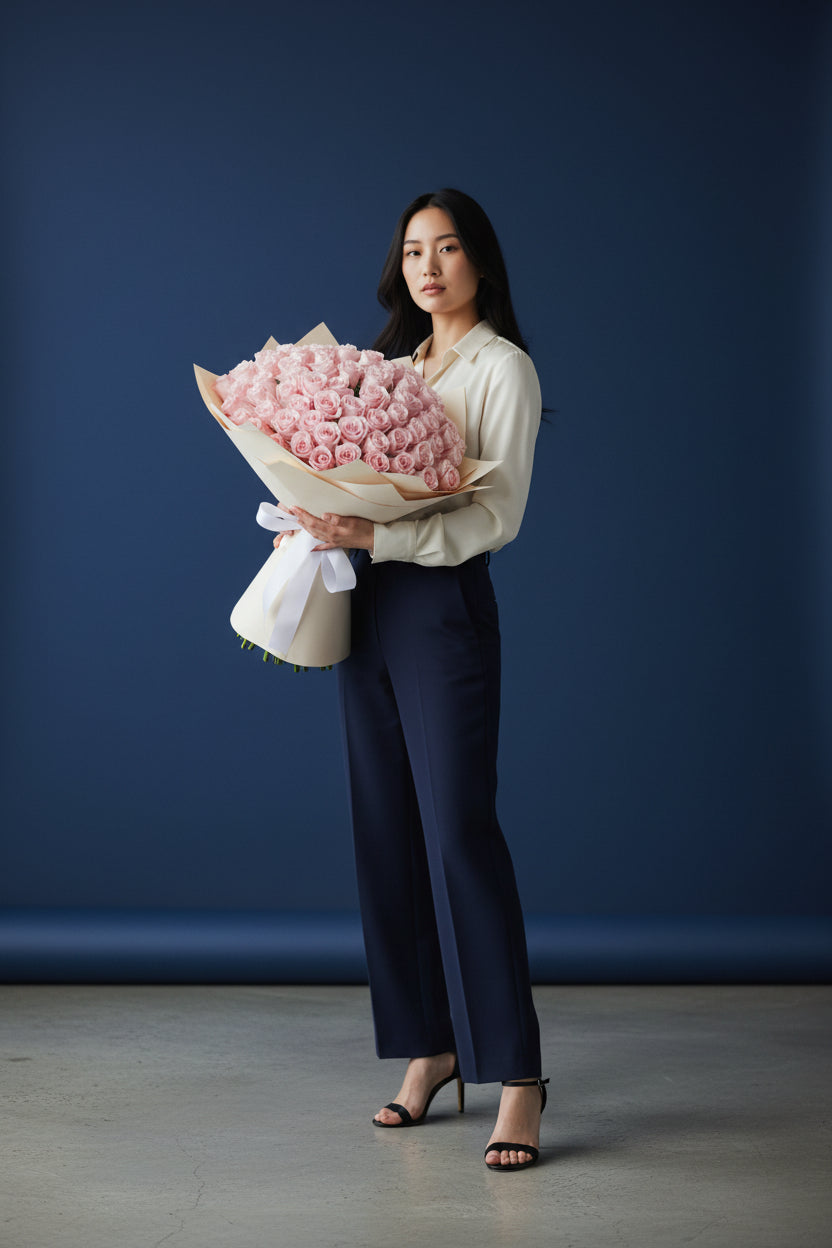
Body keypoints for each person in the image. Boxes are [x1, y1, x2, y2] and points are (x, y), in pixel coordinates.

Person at [279, 189, 548, 1171]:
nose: (429, 267)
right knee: (384, 831)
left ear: (480, 259)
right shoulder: (387, 366)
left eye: (447, 248)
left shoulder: (502, 369)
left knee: (459, 832)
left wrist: (379, 529)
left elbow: (495, 517)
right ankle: (428, 1048)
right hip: (368, 605)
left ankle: (516, 1075)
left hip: (441, 610)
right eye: (413, 251)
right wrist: (314, 510)